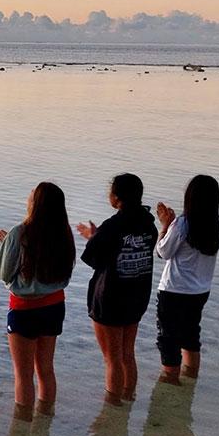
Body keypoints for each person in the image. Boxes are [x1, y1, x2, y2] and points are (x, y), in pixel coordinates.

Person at [0, 182, 75, 422]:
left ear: (35, 204)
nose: (27, 197)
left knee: (23, 374)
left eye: (31, 195)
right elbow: (65, 272)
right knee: (46, 369)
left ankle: (22, 428)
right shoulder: (64, 232)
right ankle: (45, 421)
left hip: (24, 309)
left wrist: (7, 245)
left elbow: (3, 273)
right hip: (54, 306)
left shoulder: (19, 232)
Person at [77, 173, 157, 406]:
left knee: (112, 359)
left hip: (111, 299)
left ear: (117, 198)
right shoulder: (149, 224)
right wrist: (96, 236)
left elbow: (93, 259)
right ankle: (128, 399)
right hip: (137, 295)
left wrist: (93, 237)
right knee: (127, 355)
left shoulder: (112, 226)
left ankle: (113, 408)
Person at [154, 175, 219, 385]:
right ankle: (190, 377)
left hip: (175, 290)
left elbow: (163, 252)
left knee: (169, 339)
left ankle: (170, 379)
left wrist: (165, 225)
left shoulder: (183, 223)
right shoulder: (215, 223)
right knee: (191, 335)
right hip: (200, 291)